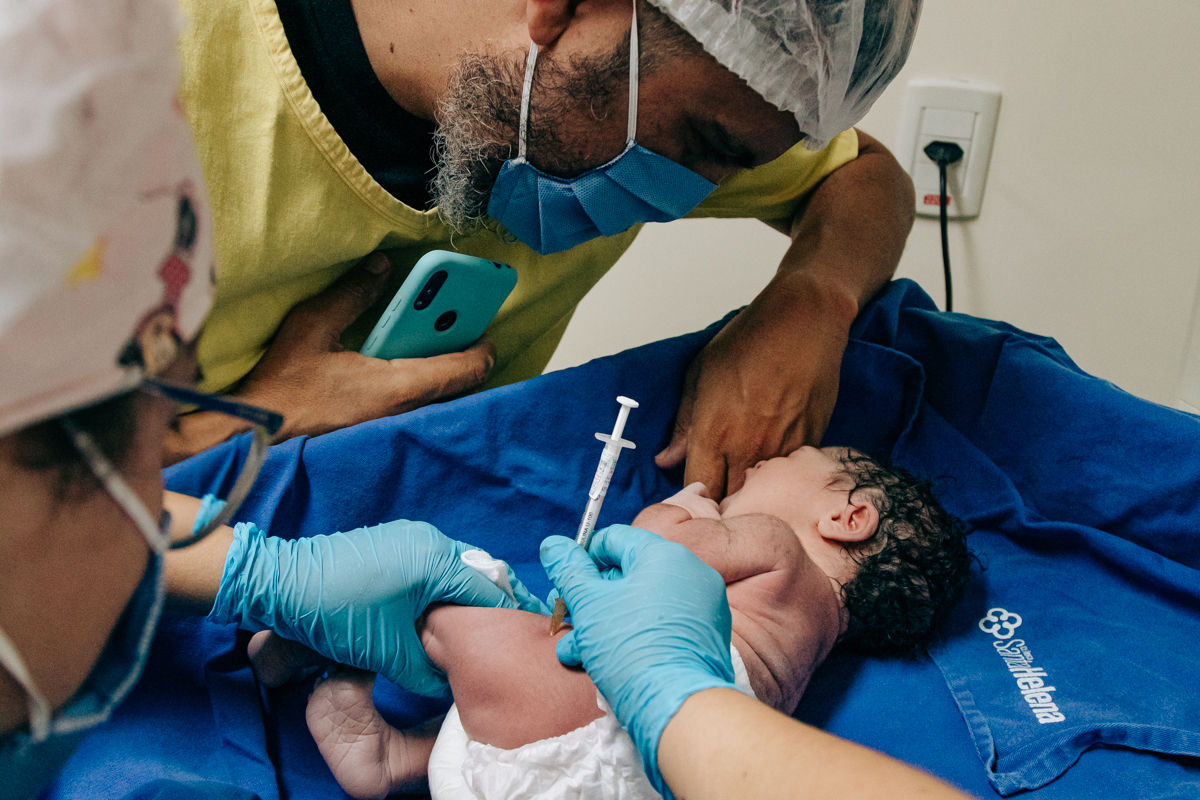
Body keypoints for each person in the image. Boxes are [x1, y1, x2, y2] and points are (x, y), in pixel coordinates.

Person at [167, 0, 922, 503]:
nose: (689, 196)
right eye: (702, 142)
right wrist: (247, 423)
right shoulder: (131, 75)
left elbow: (866, 179)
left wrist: (810, 301)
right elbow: (47, 528)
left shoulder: (630, 102)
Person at [265, 446, 968, 798]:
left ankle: (325, 625)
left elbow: (660, 554)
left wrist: (683, 511)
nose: (758, 459)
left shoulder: (780, 551)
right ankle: (397, 758)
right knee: (508, 700)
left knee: (472, 609)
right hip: (644, 777)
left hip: (599, 713)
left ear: (847, 518)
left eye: (788, 459)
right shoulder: (809, 647)